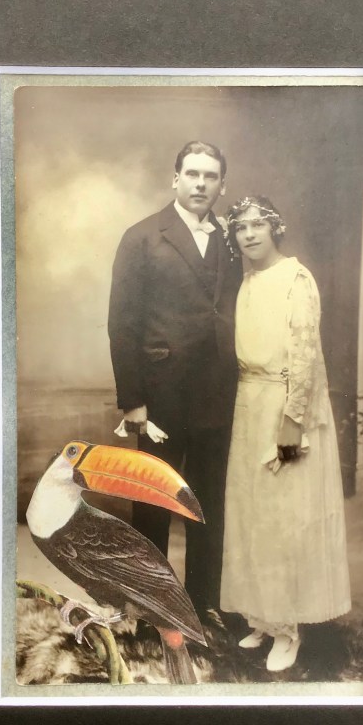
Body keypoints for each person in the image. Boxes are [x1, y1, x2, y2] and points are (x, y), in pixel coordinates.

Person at [108, 141, 242, 619]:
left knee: (208, 504)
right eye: (192, 174)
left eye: (210, 176)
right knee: (154, 501)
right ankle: (152, 608)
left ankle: (203, 608)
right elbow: (122, 323)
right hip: (161, 396)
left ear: (222, 185)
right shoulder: (142, 237)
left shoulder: (231, 240)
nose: (201, 184)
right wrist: (133, 401)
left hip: (219, 392)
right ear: (176, 179)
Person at [220, 196, 351, 672]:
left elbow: (305, 354)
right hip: (248, 403)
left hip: (283, 404)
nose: (249, 234)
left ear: (275, 228)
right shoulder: (248, 280)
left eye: (258, 225)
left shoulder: (296, 278)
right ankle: (261, 616)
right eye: (241, 228)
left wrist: (292, 423)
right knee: (251, 515)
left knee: (283, 518)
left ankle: (288, 628)